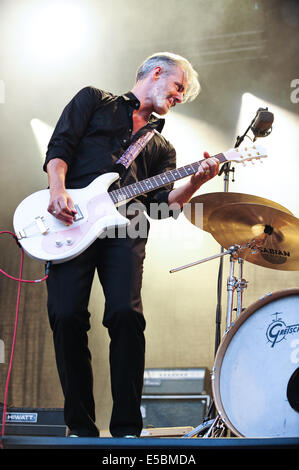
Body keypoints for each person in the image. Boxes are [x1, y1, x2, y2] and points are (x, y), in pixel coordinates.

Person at [43, 52, 219, 438]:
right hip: (71, 221)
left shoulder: (161, 148)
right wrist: (58, 192)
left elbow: (161, 209)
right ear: (157, 72)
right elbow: (59, 148)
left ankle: (126, 431)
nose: (178, 98)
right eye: (177, 88)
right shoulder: (94, 100)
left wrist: (196, 183)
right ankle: (81, 428)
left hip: (127, 228)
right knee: (65, 315)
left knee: (125, 315)